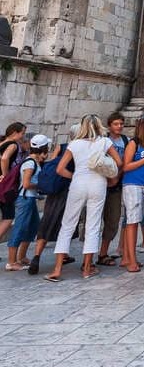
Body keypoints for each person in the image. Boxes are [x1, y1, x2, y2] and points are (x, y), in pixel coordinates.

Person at [45, 114, 122, 281]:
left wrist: (74, 176)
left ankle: (57, 269)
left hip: (78, 183)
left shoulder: (75, 144)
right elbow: (118, 162)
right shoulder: (104, 142)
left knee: (67, 224)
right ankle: (87, 268)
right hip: (98, 183)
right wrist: (111, 176)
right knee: (93, 225)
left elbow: (59, 169)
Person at [27, 128, 76, 276]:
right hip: (67, 191)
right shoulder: (78, 149)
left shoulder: (61, 146)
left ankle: (37, 256)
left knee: (47, 222)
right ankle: (61, 259)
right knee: (65, 226)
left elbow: (52, 166)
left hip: (54, 192)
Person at [5, 134, 50, 270]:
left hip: (30, 198)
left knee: (33, 226)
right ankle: (12, 262)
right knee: (20, 228)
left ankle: (22, 257)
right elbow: (26, 184)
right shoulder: (30, 163)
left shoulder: (33, 161)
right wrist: (40, 184)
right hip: (25, 199)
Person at [121, 114, 144, 273]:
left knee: (138, 219)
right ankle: (130, 259)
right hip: (133, 184)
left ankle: (130, 256)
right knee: (132, 221)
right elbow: (126, 166)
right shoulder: (133, 143)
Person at [97, 112, 128, 267]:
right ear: (109, 125)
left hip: (116, 185)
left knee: (112, 219)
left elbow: (125, 162)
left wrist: (116, 177)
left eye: (121, 124)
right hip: (100, 182)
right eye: (116, 124)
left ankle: (103, 252)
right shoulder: (102, 141)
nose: (119, 127)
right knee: (94, 219)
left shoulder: (125, 141)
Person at [0, 122, 26, 242]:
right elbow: (5, 158)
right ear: (15, 133)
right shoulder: (13, 145)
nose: (23, 136)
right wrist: (5, 176)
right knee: (8, 217)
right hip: (3, 186)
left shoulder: (2, 143)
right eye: (22, 133)